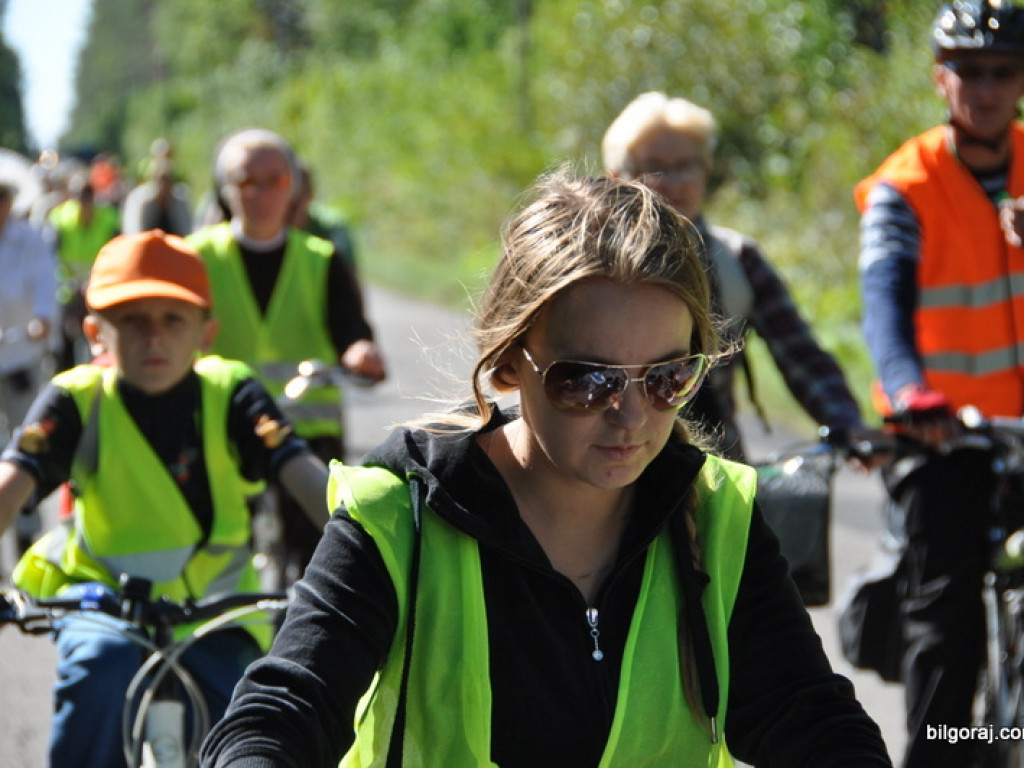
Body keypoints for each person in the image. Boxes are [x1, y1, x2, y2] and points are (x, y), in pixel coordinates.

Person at [200, 169, 892, 767]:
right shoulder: (397, 513)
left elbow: (808, 717)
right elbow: (285, 710)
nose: (629, 415)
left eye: (667, 377)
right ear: (507, 363)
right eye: (586, 380)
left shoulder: (717, 516)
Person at [0, 230, 331, 768]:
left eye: (173, 318)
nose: (154, 337)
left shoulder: (233, 392)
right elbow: (13, 481)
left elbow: (304, 478)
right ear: (95, 334)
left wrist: (371, 556)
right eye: (132, 320)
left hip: (218, 612)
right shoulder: (76, 398)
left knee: (250, 722)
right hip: (103, 604)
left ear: (207, 331)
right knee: (100, 671)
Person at [855, 3, 1024, 766]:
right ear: (939, 78)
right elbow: (884, 301)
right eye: (967, 69)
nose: (984, 88)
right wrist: (909, 390)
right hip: (940, 428)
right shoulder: (907, 185)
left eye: (1002, 72)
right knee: (945, 618)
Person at [603, 92, 866, 461]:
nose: (674, 182)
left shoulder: (738, 259)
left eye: (687, 165)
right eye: (656, 166)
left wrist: (845, 422)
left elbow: (799, 351)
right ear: (616, 176)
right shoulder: (591, 262)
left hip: (717, 469)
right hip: (611, 456)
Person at [187, 128, 386, 584]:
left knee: (325, 557)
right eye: (246, 181)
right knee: (218, 555)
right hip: (223, 431)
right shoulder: (195, 258)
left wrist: (360, 353)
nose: (260, 193)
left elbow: (351, 331)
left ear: (293, 186)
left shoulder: (321, 257)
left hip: (307, 431)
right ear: (225, 189)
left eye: (274, 180)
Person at [0, 175, 58, 557]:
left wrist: (41, 319)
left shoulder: (29, 238)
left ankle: (24, 524)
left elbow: (43, 281)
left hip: (18, 354)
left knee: (25, 440)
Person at [48, 170, 121, 371]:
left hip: (99, 287)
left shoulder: (108, 218)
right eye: (79, 194)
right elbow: (50, 257)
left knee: (102, 334)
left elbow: (117, 251)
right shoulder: (60, 218)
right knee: (64, 342)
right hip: (66, 290)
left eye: (88, 194)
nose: (84, 200)